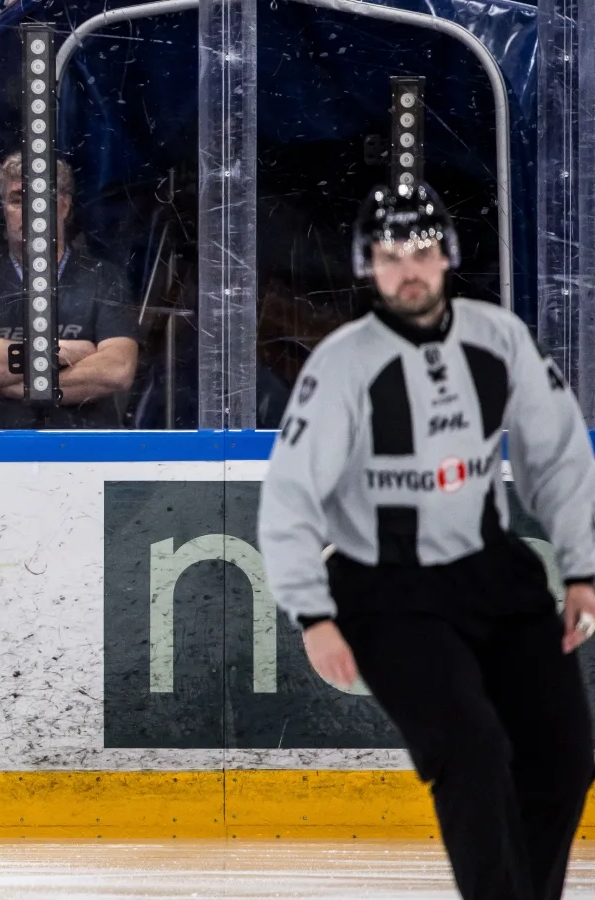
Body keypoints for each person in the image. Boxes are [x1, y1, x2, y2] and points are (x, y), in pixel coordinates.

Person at [258, 182, 595, 900]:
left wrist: (582, 568)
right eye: (390, 256)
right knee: (470, 749)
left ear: (447, 255)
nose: (408, 270)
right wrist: (313, 615)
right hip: (384, 590)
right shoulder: (344, 364)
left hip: (492, 569)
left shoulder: (498, 338)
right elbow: (290, 495)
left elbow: (560, 453)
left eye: (421, 252)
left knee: (564, 751)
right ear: (367, 266)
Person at [0, 152, 139, 428]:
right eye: (17, 200)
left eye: (40, 198)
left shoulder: (103, 278)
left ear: (64, 206)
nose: (29, 210)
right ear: (3, 208)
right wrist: (68, 353)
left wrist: (10, 383)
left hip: (84, 452)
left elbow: (116, 370)